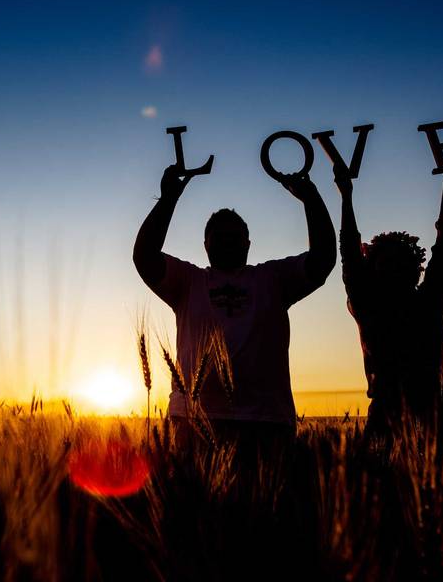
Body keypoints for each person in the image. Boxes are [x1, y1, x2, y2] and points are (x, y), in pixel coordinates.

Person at [133, 162, 336, 451]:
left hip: (266, 423)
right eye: (220, 237)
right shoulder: (188, 281)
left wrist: (311, 199)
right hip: (195, 420)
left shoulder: (274, 279)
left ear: (248, 243)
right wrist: (167, 201)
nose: (228, 243)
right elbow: (145, 257)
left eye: (235, 237)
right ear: (206, 244)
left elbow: (322, 259)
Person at [332, 157, 443, 448]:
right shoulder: (416, 302)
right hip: (409, 412)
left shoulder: (417, 301)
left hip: (428, 413)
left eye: (400, 263)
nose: (394, 269)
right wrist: (345, 196)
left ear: (413, 268)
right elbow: (349, 250)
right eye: (388, 263)